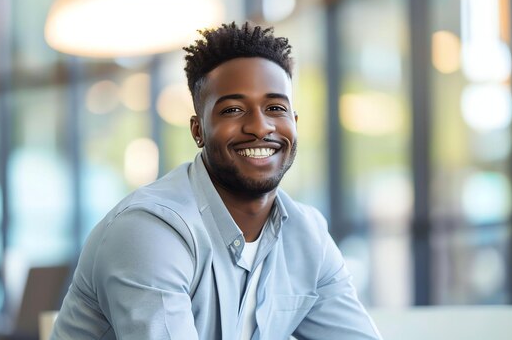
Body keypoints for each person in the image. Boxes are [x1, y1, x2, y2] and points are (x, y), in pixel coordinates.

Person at [51, 22, 381, 340]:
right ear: (198, 130)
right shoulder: (148, 232)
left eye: (275, 107)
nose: (260, 126)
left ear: (294, 123)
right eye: (233, 110)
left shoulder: (306, 236)